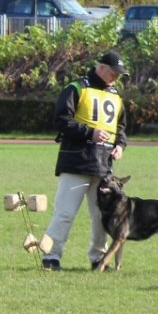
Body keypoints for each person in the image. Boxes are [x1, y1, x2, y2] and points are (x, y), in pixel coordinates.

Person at [40, 51, 129, 271]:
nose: (116, 77)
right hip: (77, 162)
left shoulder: (115, 94)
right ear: (100, 67)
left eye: (119, 74)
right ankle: (50, 256)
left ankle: (99, 258)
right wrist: (90, 133)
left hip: (103, 166)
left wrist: (120, 145)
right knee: (65, 212)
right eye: (113, 72)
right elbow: (61, 120)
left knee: (102, 216)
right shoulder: (77, 87)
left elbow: (121, 127)